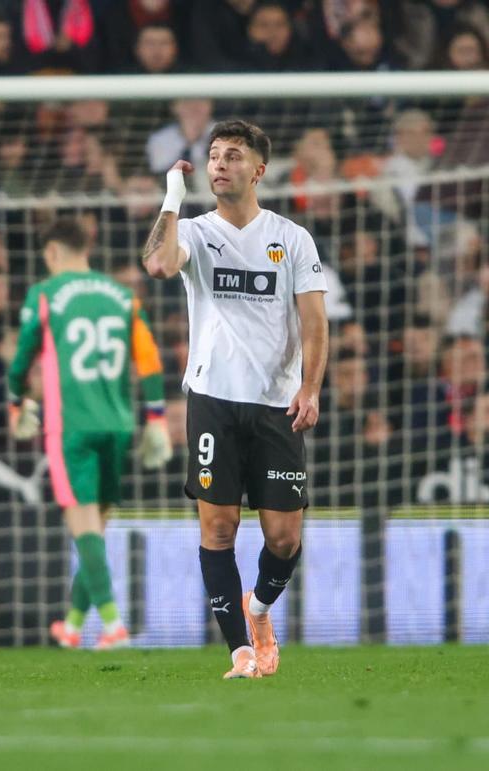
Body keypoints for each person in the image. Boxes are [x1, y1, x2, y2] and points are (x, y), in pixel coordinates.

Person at [141, 119, 328, 679]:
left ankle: (260, 611)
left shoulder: (291, 239)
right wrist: (171, 199)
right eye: (215, 155)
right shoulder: (194, 232)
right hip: (213, 402)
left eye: (234, 156)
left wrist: (311, 386)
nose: (220, 164)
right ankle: (240, 651)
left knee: (283, 536)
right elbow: (157, 263)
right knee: (218, 530)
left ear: (258, 170)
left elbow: (315, 323)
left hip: (275, 405)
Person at [7, 218, 172, 652]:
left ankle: (114, 624)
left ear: (52, 253)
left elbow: (23, 355)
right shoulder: (122, 295)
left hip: (71, 427)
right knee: (94, 531)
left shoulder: (45, 294)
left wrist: (16, 401)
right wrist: (155, 418)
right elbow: (149, 360)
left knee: (82, 528)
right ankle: (74, 623)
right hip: (118, 425)